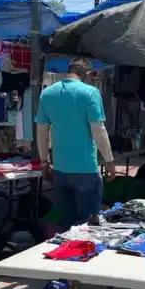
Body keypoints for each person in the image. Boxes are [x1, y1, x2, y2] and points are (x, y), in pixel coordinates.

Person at [35, 57, 116, 230]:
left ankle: (65, 254)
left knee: (66, 225)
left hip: (60, 169)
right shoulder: (90, 93)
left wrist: (44, 161)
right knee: (88, 227)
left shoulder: (48, 93)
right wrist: (109, 160)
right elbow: (98, 129)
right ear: (86, 73)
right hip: (86, 169)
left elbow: (42, 129)